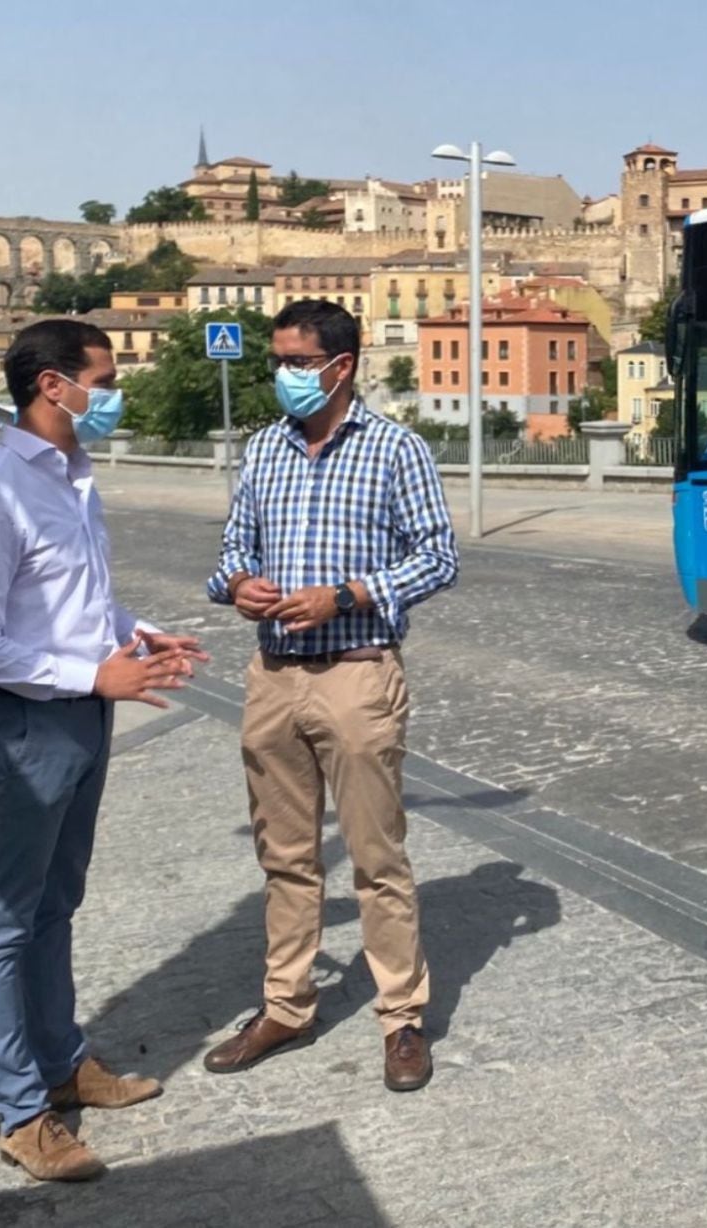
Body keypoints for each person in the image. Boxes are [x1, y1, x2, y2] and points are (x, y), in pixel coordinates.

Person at [0, 318, 207, 1182]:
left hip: (84, 718)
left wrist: (137, 633)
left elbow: (74, 605)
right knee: (6, 918)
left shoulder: (74, 481)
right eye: (106, 376)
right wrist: (93, 678)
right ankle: (20, 1111)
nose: (114, 391)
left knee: (57, 904)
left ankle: (64, 1066)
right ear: (54, 386)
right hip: (27, 728)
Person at [204, 300, 458, 1093]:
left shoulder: (395, 450)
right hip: (273, 676)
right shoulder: (265, 450)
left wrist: (347, 594)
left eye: (296, 361)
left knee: (376, 856)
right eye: (276, 361)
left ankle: (401, 1016)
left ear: (340, 366)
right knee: (284, 856)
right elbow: (232, 549)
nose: (283, 376)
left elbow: (439, 556)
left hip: (356, 672)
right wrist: (238, 585)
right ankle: (287, 1004)